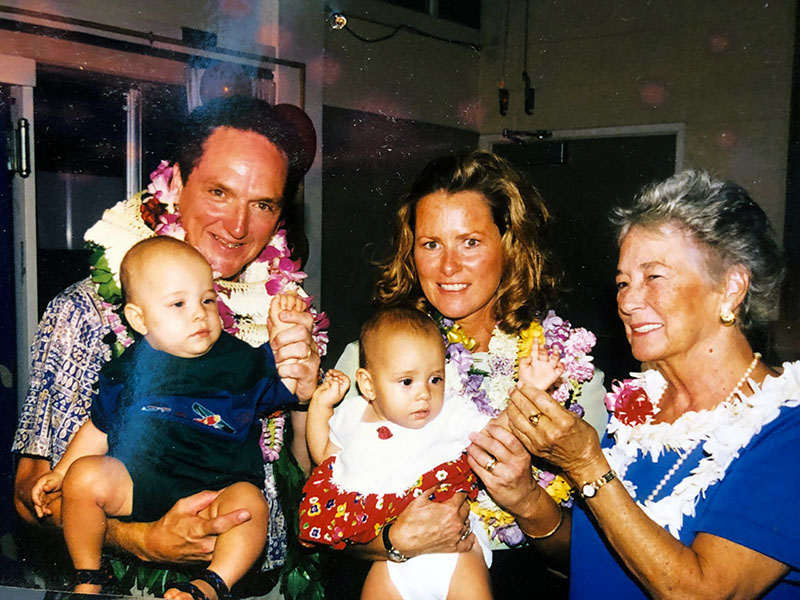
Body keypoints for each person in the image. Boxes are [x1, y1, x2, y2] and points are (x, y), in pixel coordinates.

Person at [12, 96, 324, 595]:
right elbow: (33, 497)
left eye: (262, 204)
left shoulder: (280, 309)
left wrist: (307, 396)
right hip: (130, 586)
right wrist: (142, 539)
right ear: (176, 182)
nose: (238, 228)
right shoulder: (86, 311)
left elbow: (311, 475)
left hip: (258, 583)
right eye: (219, 191)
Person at [467, 170, 799, 598]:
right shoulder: (636, 408)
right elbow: (595, 561)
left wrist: (587, 466)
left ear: (731, 288)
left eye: (653, 277)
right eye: (623, 282)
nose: (626, 300)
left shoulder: (785, 431)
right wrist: (525, 498)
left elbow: (701, 593)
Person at [330, 150, 603, 597]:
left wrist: (527, 499)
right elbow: (323, 515)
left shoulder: (570, 373)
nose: (448, 267)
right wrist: (391, 542)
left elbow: (591, 555)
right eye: (430, 243)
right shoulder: (372, 359)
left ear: (509, 243)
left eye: (470, 242)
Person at [30, 237, 307, 600]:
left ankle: (211, 584)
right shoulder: (127, 369)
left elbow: (291, 388)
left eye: (208, 300)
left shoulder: (241, 360)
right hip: (140, 484)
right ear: (138, 318)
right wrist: (60, 472)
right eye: (178, 303)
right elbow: (98, 428)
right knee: (84, 476)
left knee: (250, 505)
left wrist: (289, 333)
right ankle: (88, 576)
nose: (198, 313)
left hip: (217, 490)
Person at [302, 306, 563, 600]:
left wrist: (530, 390)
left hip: (455, 555)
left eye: (435, 379)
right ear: (368, 384)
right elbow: (325, 457)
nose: (424, 393)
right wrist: (320, 407)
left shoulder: (449, 414)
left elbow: (496, 435)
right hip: (390, 562)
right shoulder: (353, 414)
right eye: (407, 381)